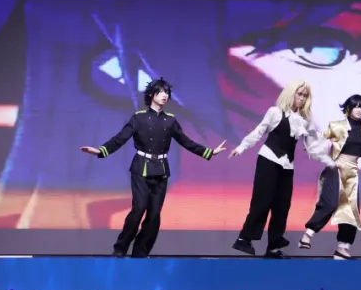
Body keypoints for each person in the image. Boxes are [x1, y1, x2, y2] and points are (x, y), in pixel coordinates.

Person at [80, 78, 227, 257]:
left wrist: (209, 152)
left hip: (161, 170)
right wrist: (101, 151)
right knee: (139, 208)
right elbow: (121, 138)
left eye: (167, 93)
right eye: (161, 92)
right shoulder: (139, 117)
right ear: (151, 95)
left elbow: (186, 142)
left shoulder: (170, 120)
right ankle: (120, 248)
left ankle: (141, 252)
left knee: (154, 214)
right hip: (141, 168)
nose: (165, 95)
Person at [229, 80, 334, 258]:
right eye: (299, 94)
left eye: (305, 95)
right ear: (291, 93)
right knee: (262, 201)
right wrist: (241, 147)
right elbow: (259, 131)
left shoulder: (305, 120)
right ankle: (244, 239)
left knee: (282, 205)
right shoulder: (275, 112)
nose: (301, 98)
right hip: (268, 159)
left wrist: (328, 159)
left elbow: (312, 144)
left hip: (287, 165)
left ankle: (273, 246)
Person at [299, 94, 361, 260]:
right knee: (330, 203)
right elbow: (321, 137)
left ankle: (342, 248)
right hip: (336, 167)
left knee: (351, 211)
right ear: (348, 108)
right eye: (356, 106)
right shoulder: (337, 126)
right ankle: (308, 234)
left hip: (352, 171)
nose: (360, 110)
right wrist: (312, 145)